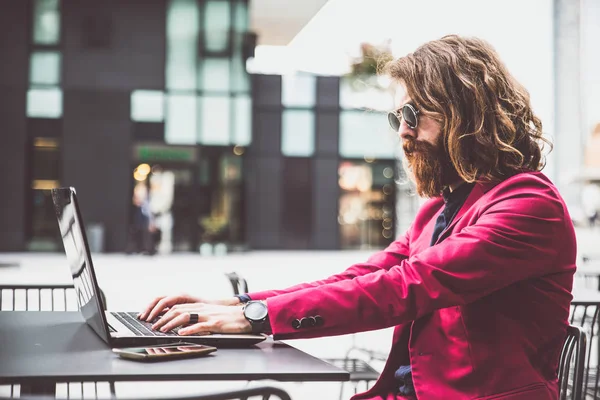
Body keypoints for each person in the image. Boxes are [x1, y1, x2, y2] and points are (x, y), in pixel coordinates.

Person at [138, 35, 576, 400]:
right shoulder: (438, 210)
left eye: (413, 114)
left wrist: (257, 318)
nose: (403, 131)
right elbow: (360, 277)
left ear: (467, 114)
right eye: (398, 117)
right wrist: (241, 306)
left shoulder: (529, 204)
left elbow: (405, 286)